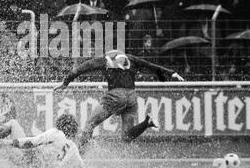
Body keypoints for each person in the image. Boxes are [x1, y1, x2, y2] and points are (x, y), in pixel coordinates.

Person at [54, 50, 185, 152]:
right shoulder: (131, 59)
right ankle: (147, 122)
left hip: (116, 96)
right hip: (132, 98)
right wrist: (171, 72)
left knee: (90, 124)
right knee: (126, 136)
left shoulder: (104, 59)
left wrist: (66, 82)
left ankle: (79, 155)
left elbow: (82, 68)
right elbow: (151, 66)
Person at [0, 114, 85, 168]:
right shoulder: (73, 147)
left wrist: (10, 142)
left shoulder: (56, 133)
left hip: (27, 159)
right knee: (3, 137)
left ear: (60, 123)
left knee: (12, 124)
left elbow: (32, 142)